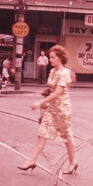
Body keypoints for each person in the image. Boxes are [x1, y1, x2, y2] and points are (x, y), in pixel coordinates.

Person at [18, 45, 78, 175]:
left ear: (60, 58)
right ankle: (31, 161)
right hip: (52, 108)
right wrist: (45, 95)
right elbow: (51, 89)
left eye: (52, 57)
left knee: (67, 136)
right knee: (42, 133)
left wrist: (40, 102)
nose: (50, 60)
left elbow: (57, 93)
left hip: (62, 109)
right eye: (50, 57)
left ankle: (73, 162)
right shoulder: (52, 72)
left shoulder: (64, 73)